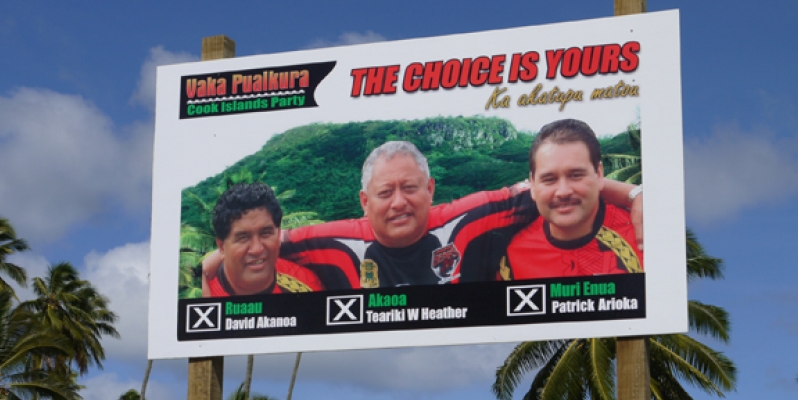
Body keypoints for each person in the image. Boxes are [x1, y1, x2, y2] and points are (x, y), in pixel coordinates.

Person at [201, 139, 643, 290]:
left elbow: (558, 184)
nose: (399, 202)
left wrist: (635, 193)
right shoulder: (327, 241)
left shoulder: (474, 215)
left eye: (410, 188)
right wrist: (210, 261)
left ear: (430, 190)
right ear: (364, 202)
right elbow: (253, 243)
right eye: (386, 192)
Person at [498, 119, 643, 280]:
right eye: (549, 179)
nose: (563, 192)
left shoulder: (642, 234)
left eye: (576, 175)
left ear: (599, 174)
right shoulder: (512, 257)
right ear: (532, 184)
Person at [203, 182, 322, 297]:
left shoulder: (307, 286)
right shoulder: (200, 294)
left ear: (278, 234)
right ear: (221, 247)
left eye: (265, 233)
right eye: (243, 238)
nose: (257, 249)